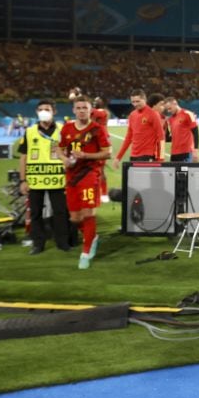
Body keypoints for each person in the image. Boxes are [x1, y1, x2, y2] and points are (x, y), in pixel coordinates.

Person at [56, 95, 111, 269]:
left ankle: (86, 252)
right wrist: (64, 159)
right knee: (75, 217)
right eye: (78, 108)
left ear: (90, 110)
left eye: (84, 108)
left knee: (88, 213)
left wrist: (86, 155)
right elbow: (58, 147)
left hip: (90, 174)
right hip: (72, 175)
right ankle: (92, 236)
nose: (81, 111)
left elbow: (107, 153)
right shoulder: (66, 128)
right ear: (74, 110)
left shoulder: (97, 129)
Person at [17, 100, 70, 254]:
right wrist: (22, 180)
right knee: (35, 214)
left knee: (60, 212)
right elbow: (23, 157)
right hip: (35, 180)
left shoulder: (63, 130)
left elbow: (68, 153)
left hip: (58, 179)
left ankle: (62, 242)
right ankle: (38, 243)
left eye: (47, 109)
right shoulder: (30, 131)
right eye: (40, 109)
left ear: (54, 111)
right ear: (36, 112)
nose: (43, 112)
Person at [111, 89, 164, 168]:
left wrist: (160, 159)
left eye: (138, 101)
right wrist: (118, 157)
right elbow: (128, 138)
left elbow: (161, 136)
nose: (135, 104)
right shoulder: (132, 115)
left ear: (144, 100)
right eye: (133, 102)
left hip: (147, 155)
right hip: (134, 155)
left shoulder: (153, 114)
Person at [164, 96, 199, 162]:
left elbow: (195, 132)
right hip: (174, 154)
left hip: (186, 152)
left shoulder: (188, 114)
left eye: (170, 108)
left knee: (184, 172)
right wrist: (165, 126)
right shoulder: (171, 119)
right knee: (174, 172)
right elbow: (171, 138)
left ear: (175, 103)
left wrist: (196, 150)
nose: (169, 111)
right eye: (167, 110)